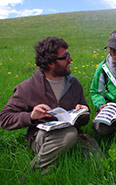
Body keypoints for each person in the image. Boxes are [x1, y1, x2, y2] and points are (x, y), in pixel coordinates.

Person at [0, 37, 98, 173]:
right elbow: (4, 118)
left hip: (73, 132)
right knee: (69, 135)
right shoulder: (27, 88)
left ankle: (56, 160)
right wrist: (31, 116)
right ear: (51, 63)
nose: (71, 60)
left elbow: (84, 120)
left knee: (95, 159)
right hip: (41, 136)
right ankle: (31, 174)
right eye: (65, 57)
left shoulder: (75, 84)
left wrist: (83, 113)